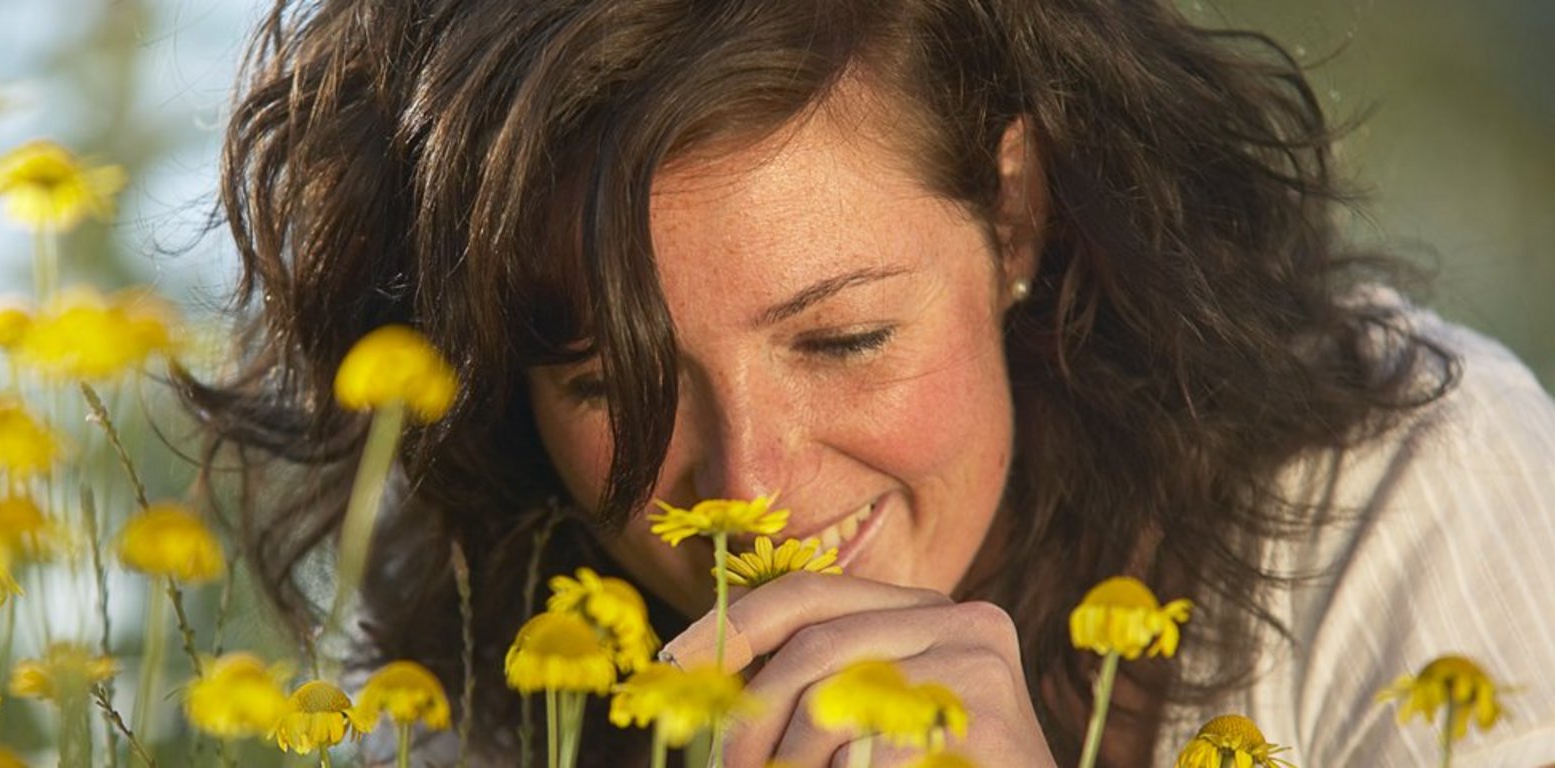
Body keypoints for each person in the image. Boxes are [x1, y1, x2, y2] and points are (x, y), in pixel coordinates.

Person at [183, 0, 1555, 765]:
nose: (749, 495)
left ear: (1014, 212)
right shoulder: (499, 709)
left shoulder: (1413, 504)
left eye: (841, 340)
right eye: (611, 382)